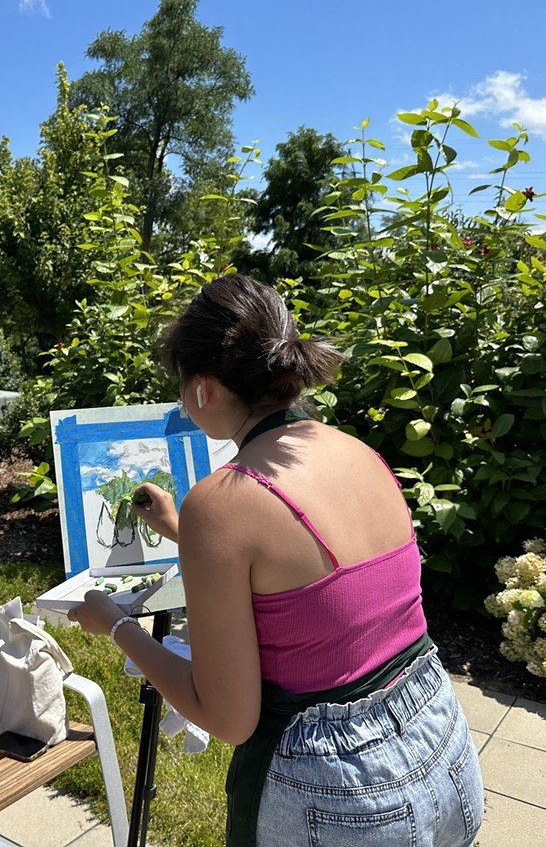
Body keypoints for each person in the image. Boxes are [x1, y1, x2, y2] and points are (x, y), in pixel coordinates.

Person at [68, 274, 484, 846]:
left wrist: (114, 623)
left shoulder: (224, 502)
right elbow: (312, 577)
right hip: (439, 743)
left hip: (340, 791)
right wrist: (179, 529)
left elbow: (227, 717)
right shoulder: (359, 453)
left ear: (202, 390)